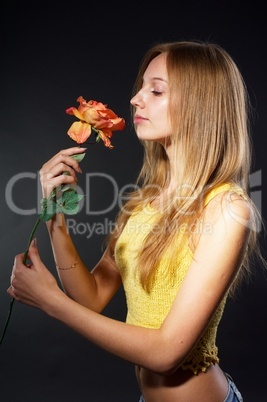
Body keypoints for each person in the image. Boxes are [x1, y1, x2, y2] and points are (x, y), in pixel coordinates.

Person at [8, 40, 265, 402]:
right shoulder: (144, 200)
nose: (135, 99)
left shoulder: (226, 208)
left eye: (156, 90)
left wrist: (51, 302)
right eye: (142, 86)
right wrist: (55, 219)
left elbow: (166, 353)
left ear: (199, 106)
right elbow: (92, 297)